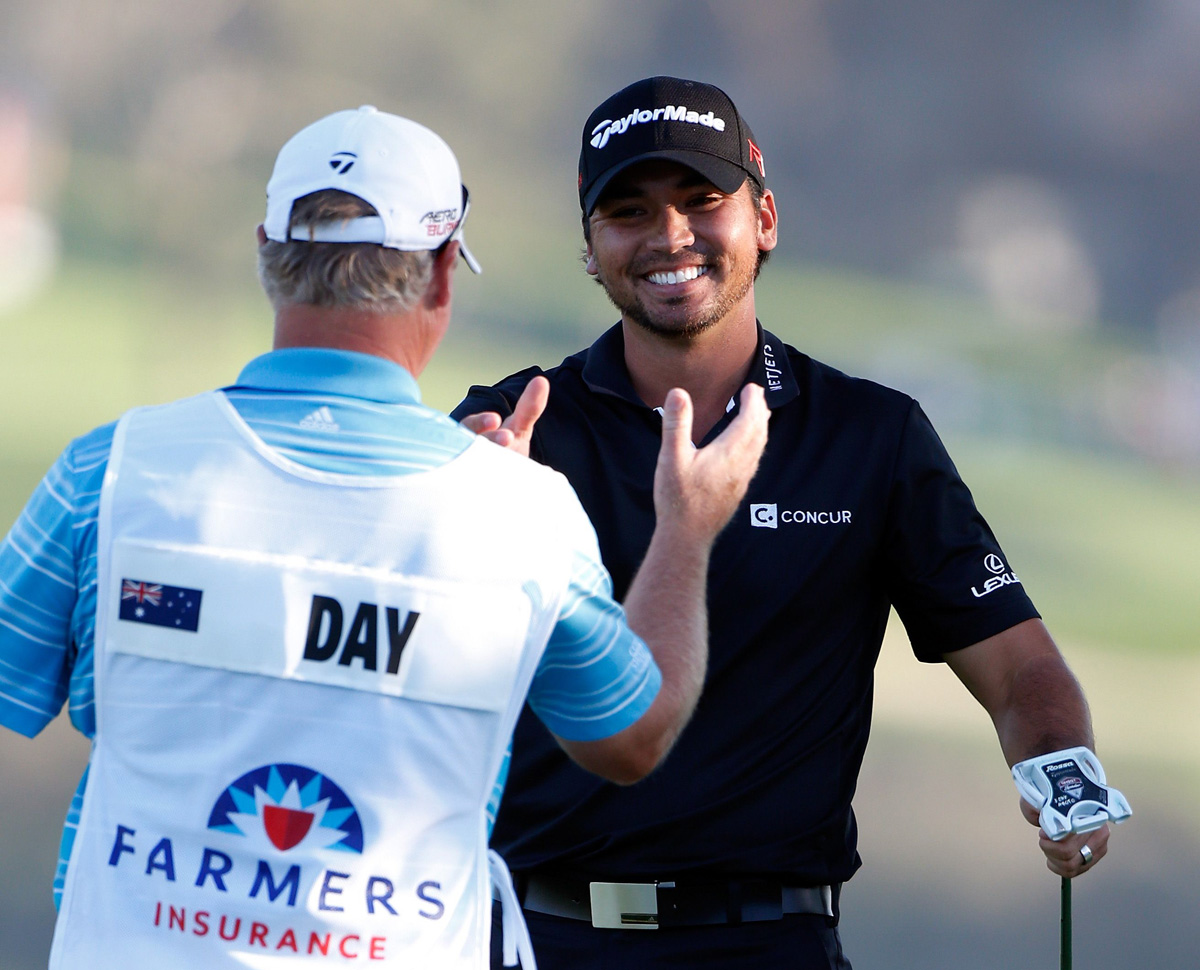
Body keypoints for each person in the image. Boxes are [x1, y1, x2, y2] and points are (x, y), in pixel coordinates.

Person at [0, 104, 769, 969]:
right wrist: (687, 527)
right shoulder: (525, 519)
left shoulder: (107, 473)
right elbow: (632, 738)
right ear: (443, 273)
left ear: (266, 252)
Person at [453, 76, 1123, 969]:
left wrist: (1058, 765)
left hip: (771, 942)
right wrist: (458, 518)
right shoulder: (512, 428)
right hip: (534, 936)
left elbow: (1019, 667)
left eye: (701, 201)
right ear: (590, 247)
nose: (669, 237)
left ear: (764, 219)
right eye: (629, 211)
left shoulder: (870, 437)